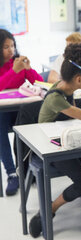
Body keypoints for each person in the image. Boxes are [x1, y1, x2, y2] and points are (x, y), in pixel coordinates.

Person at [29, 43, 81, 237]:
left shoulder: (68, 87)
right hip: (50, 148)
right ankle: (51, 208)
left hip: (68, 141)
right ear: (79, 79)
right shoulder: (56, 97)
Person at [0, 29, 43, 196]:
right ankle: (12, 173)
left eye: (12, 45)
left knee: (29, 121)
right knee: (0, 124)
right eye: (5, 47)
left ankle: (25, 169)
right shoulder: (10, 67)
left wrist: (29, 68)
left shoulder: (17, 62)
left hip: (20, 110)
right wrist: (14, 71)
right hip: (3, 113)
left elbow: (39, 82)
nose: (11, 50)